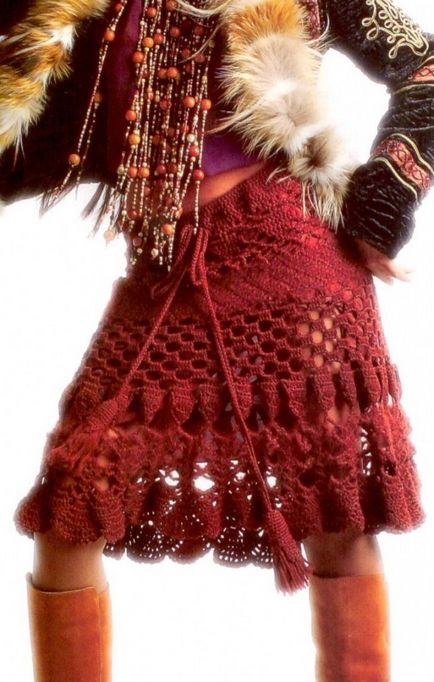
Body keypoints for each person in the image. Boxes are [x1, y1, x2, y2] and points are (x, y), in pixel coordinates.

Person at [1, 0, 433, 679]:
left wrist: (389, 192)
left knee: (334, 513)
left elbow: (425, 66)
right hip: (165, 273)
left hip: (294, 263)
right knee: (71, 507)